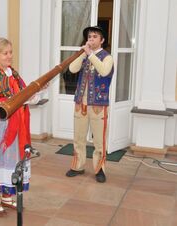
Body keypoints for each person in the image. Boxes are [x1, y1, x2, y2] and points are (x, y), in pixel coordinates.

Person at [0, 37, 34, 217]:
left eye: (11, 52)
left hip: (15, 122)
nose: (9, 56)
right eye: (5, 53)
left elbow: (22, 93)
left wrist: (35, 92)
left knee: (12, 157)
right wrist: (9, 103)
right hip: (0, 125)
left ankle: (7, 197)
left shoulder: (12, 73)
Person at [65, 26, 114, 183]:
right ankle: (77, 166)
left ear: (102, 40)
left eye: (94, 36)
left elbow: (104, 71)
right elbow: (72, 69)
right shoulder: (85, 55)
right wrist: (82, 53)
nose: (91, 39)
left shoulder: (107, 57)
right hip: (81, 103)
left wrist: (90, 54)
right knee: (78, 138)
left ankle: (100, 169)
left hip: (98, 105)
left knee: (99, 141)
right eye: (89, 36)